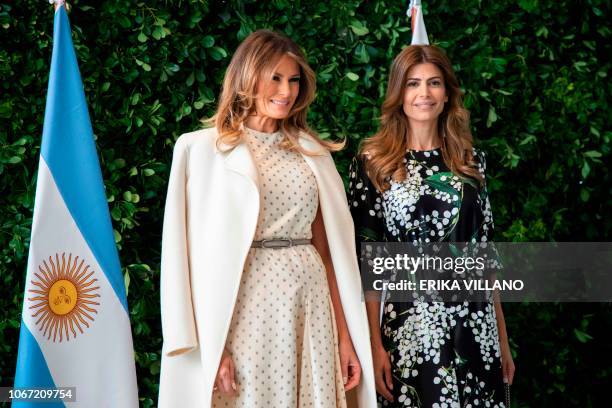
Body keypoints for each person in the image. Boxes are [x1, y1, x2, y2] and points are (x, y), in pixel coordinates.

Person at [158, 30, 376, 408]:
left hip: (310, 305)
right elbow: (182, 258)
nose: (286, 90)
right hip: (243, 311)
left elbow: (328, 254)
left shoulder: (314, 154)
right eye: (275, 77)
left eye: (293, 80)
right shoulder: (199, 150)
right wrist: (212, 349)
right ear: (248, 76)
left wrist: (345, 337)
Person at [348, 45, 515, 407]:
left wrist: (502, 339)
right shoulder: (372, 164)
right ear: (398, 93)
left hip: (475, 324)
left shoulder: (472, 162)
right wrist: (373, 345)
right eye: (413, 84)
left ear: (447, 94)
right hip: (411, 327)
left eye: (434, 83)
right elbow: (368, 262)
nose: (424, 93)